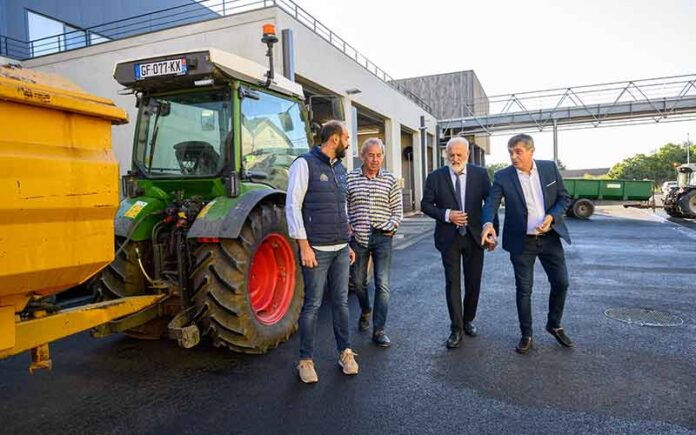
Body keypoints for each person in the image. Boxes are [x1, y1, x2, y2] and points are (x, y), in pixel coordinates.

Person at [481, 133, 574, 354]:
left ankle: (554, 324)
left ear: (531, 151)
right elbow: (491, 203)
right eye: (510, 152)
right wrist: (487, 224)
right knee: (524, 290)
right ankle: (527, 334)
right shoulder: (503, 176)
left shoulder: (549, 168)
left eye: (518, 152)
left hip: (550, 238)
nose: (513, 157)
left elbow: (564, 198)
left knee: (561, 283)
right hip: (522, 242)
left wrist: (551, 217)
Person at [285, 120, 358, 383]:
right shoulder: (304, 164)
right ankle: (305, 360)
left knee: (341, 303)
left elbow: (342, 207)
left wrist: (347, 242)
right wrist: (303, 245)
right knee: (313, 305)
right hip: (315, 249)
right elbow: (292, 205)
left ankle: (345, 353)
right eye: (347, 138)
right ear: (335, 139)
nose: (349, 144)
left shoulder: (340, 169)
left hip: (340, 248)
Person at [421, 136, 495, 349]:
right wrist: (446, 214)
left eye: (459, 155)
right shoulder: (435, 177)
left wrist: (490, 231)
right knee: (453, 284)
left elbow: (490, 204)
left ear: (467, 155)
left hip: (474, 238)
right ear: (446, 155)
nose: (455, 158)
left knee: (473, 283)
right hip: (449, 238)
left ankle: (468, 319)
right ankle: (456, 328)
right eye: (451, 155)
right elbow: (425, 205)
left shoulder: (480, 175)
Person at [346, 138, 402, 347]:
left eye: (379, 155)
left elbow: (397, 210)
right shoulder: (351, 178)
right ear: (362, 156)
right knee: (359, 282)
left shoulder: (389, 179)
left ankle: (379, 330)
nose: (375, 159)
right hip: (358, 237)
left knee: (383, 284)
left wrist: (391, 226)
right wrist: (347, 225)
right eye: (371, 155)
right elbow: (343, 203)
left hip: (382, 237)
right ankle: (365, 310)